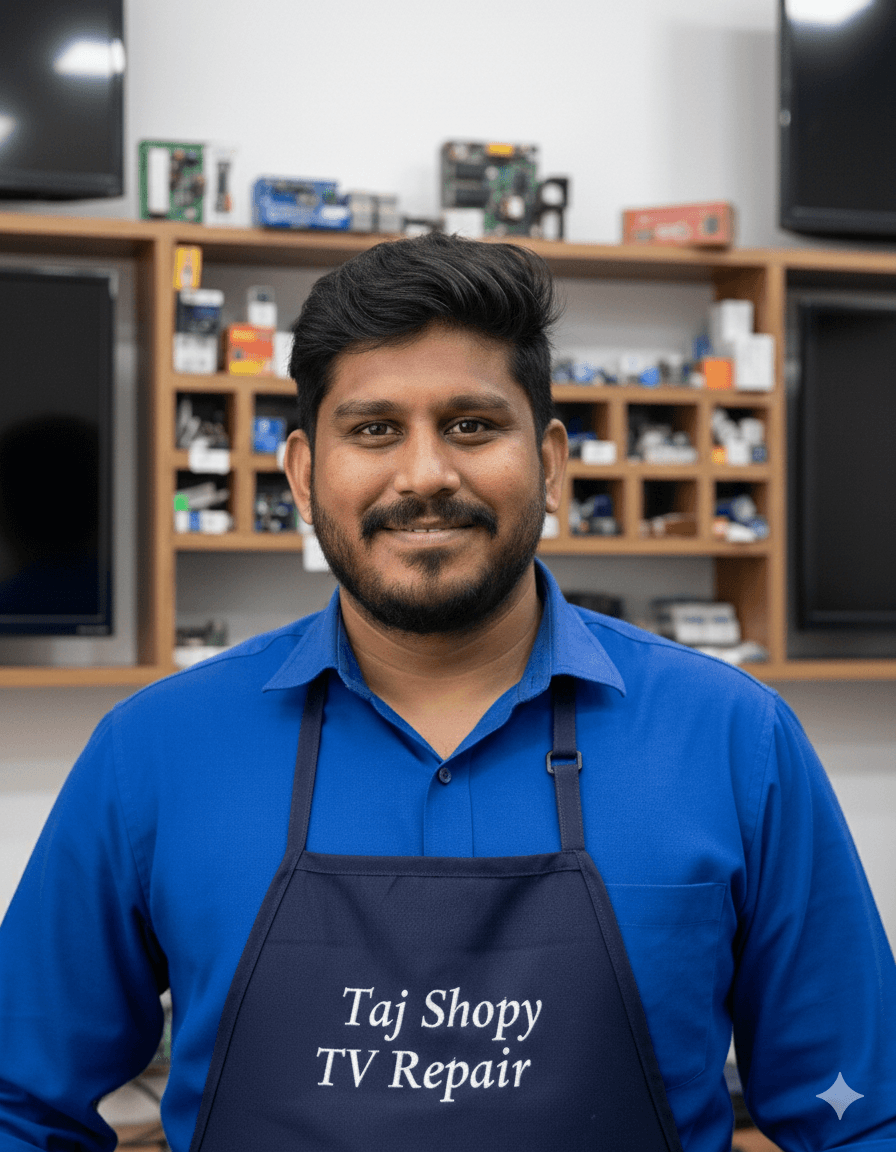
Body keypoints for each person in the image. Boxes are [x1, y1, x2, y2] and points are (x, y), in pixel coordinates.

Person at [1, 233, 895, 1152]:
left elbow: (865, 1120)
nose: (425, 474)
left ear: (550, 463)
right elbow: (17, 1104)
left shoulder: (733, 741)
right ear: (306, 475)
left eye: (472, 424)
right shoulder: (155, 751)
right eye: (375, 429)